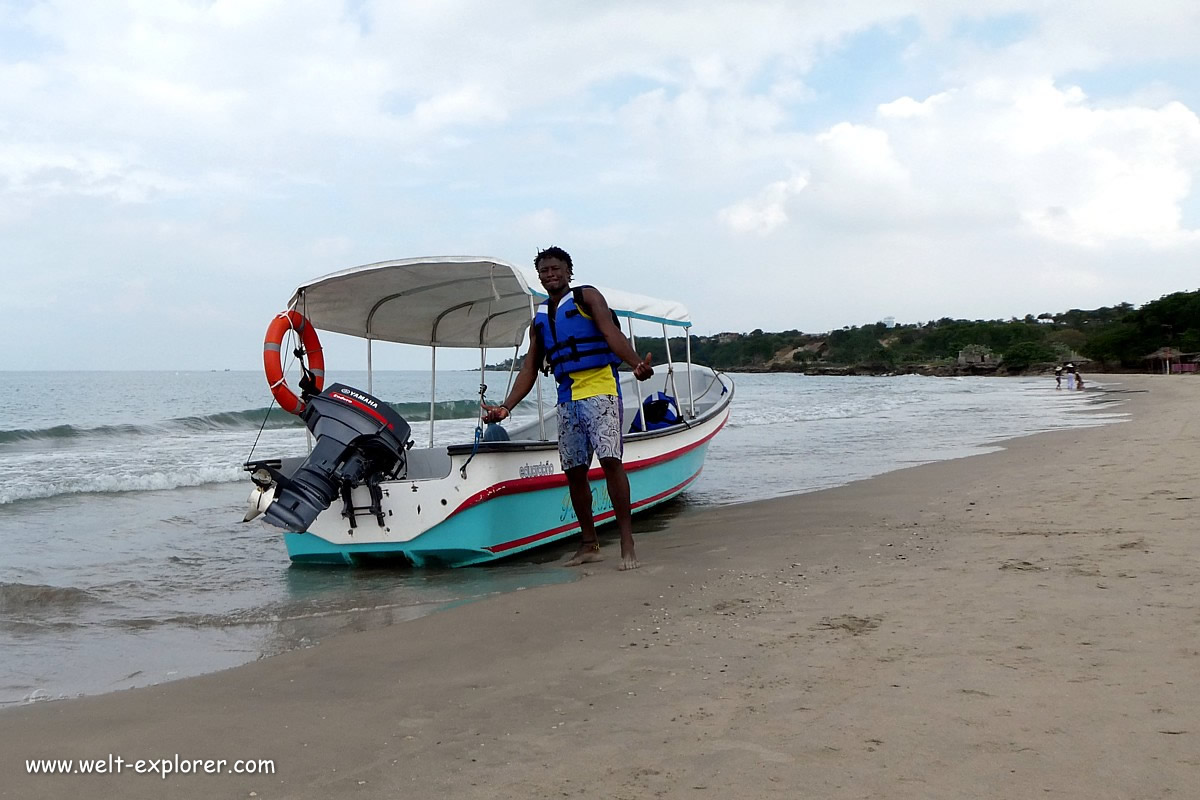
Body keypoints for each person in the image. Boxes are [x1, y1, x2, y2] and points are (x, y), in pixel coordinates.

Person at [482, 247, 653, 570]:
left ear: (568, 271)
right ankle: (589, 544)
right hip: (567, 399)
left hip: (600, 390)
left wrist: (634, 365)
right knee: (574, 471)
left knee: (611, 461)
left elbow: (609, 332)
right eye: (544, 271)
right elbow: (530, 368)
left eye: (555, 269)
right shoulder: (541, 319)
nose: (550, 275)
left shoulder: (587, 297)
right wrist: (505, 408)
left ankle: (627, 542)